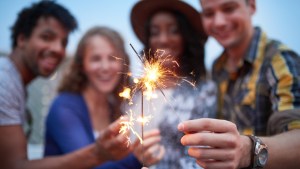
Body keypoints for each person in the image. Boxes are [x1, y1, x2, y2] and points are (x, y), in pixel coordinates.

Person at [0, 2, 132, 169]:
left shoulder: (115, 105)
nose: (58, 49)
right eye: (46, 37)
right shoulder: (3, 82)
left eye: (63, 42)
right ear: (21, 39)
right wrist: (136, 155)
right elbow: (12, 166)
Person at [178, 0, 300, 169]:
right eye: (209, 13)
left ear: (251, 6)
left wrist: (248, 150)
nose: (219, 22)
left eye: (229, 8)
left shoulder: (280, 60)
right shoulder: (217, 67)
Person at [44, 26, 164, 168]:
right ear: (82, 65)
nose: (105, 67)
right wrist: (137, 157)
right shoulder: (64, 108)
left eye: (112, 58)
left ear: (122, 63)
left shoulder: (114, 105)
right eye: (96, 59)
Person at [130, 0, 217, 168]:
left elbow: (201, 157)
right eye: (155, 32)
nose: (163, 39)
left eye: (174, 31)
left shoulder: (204, 92)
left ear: (186, 37)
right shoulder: (135, 90)